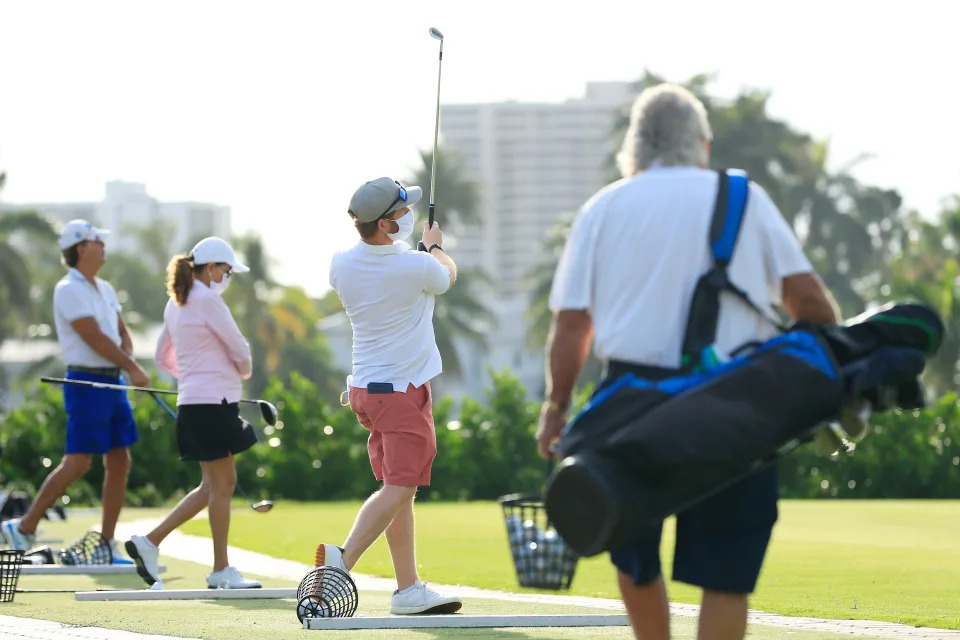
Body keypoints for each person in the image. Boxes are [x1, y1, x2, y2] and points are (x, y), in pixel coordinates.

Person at [536, 84, 841, 640]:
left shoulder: (603, 208)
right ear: (702, 145)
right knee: (726, 575)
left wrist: (556, 407)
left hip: (630, 404)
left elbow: (572, 325)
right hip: (736, 405)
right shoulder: (745, 200)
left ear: (635, 147)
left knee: (631, 552)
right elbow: (813, 306)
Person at [316, 176, 462, 615]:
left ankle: (408, 588)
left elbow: (393, 265)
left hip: (366, 392)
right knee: (401, 486)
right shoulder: (415, 266)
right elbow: (447, 276)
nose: (408, 217)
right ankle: (344, 560)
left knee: (399, 488)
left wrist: (416, 250)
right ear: (385, 224)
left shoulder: (341, 263)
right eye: (401, 212)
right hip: (400, 394)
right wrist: (433, 245)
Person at [1, 219, 149, 563]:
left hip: (113, 382)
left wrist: (126, 357)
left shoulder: (106, 289)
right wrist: (132, 366)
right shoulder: (67, 289)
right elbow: (93, 336)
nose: (104, 246)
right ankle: (24, 525)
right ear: (81, 247)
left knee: (120, 460)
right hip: (85, 381)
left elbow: (119, 331)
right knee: (79, 462)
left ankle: (105, 545)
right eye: (99, 241)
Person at [124, 236, 260, 589]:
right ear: (212, 268)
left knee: (211, 486)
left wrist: (195, 376)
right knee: (223, 484)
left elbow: (162, 358)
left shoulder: (177, 303)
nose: (227, 277)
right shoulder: (206, 301)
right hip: (214, 403)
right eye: (226, 271)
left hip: (195, 402)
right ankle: (220, 569)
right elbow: (239, 348)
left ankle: (150, 541)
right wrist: (238, 373)